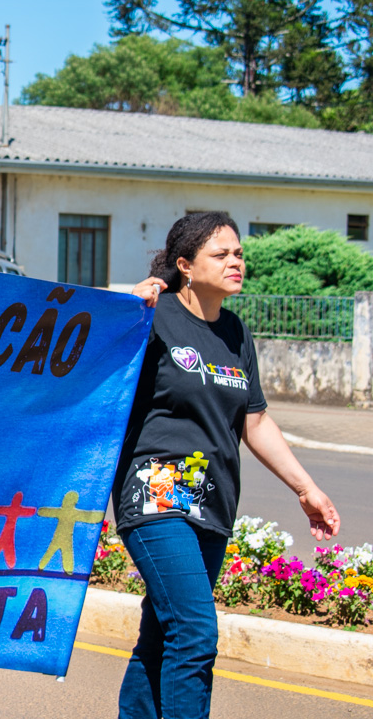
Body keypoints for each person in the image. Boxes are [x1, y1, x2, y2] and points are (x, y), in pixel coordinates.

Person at [117, 211, 341, 719]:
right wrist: (123, 313)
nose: (236, 261)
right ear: (185, 265)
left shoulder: (237, 334)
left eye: (238, 253)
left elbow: (255, 422)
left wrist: (306, 489)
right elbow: (87, 360)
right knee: (195, 631)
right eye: (221, 254)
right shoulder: (153, 315)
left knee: (161, 635)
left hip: (212, 502)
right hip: (155, 491)